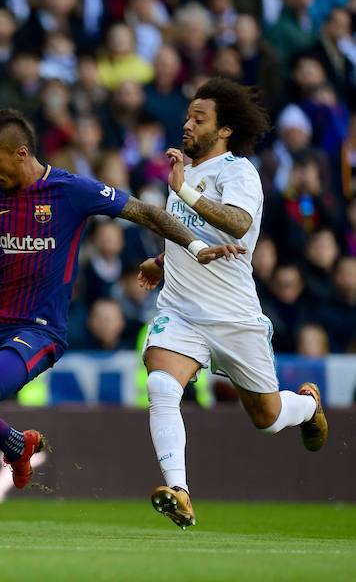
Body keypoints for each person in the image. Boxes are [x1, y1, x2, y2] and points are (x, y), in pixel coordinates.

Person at [0, 108, 245, 535]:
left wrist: (196, 247)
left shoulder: (71, 190)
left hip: (40, 329)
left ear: (22, 153)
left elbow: (147, 213)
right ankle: (16, 443)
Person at [136, 77, 328, 531]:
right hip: (180, 310)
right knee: (162, 387)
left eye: (199, 119)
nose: (187, 124)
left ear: (223, 130)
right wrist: (163, 259)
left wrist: (184, 190)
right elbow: (197, 236)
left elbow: (238, 224)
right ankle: (179, 491)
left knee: (267, 418)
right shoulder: (186, 172)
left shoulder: (238, 172)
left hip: (233, 317)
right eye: (188, 116)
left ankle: (306, 407)